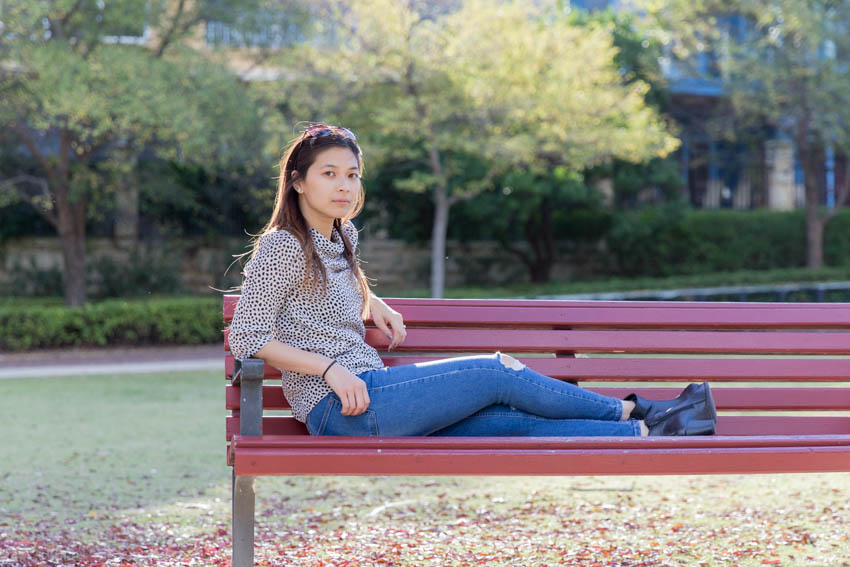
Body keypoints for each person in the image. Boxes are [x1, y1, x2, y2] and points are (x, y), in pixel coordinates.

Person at [228, 123, 717, 438]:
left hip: (376, 394)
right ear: (297, 181)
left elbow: (320, 289)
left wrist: (369, 298)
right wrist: (329, 369)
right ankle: (638, 411)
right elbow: (248, 336)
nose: (344, 186)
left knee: (511, 423)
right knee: (496, 370)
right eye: (329, 174)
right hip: (342, 405)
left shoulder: (341, 234)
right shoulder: (283, 245)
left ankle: (653, 430)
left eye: (352, 175)